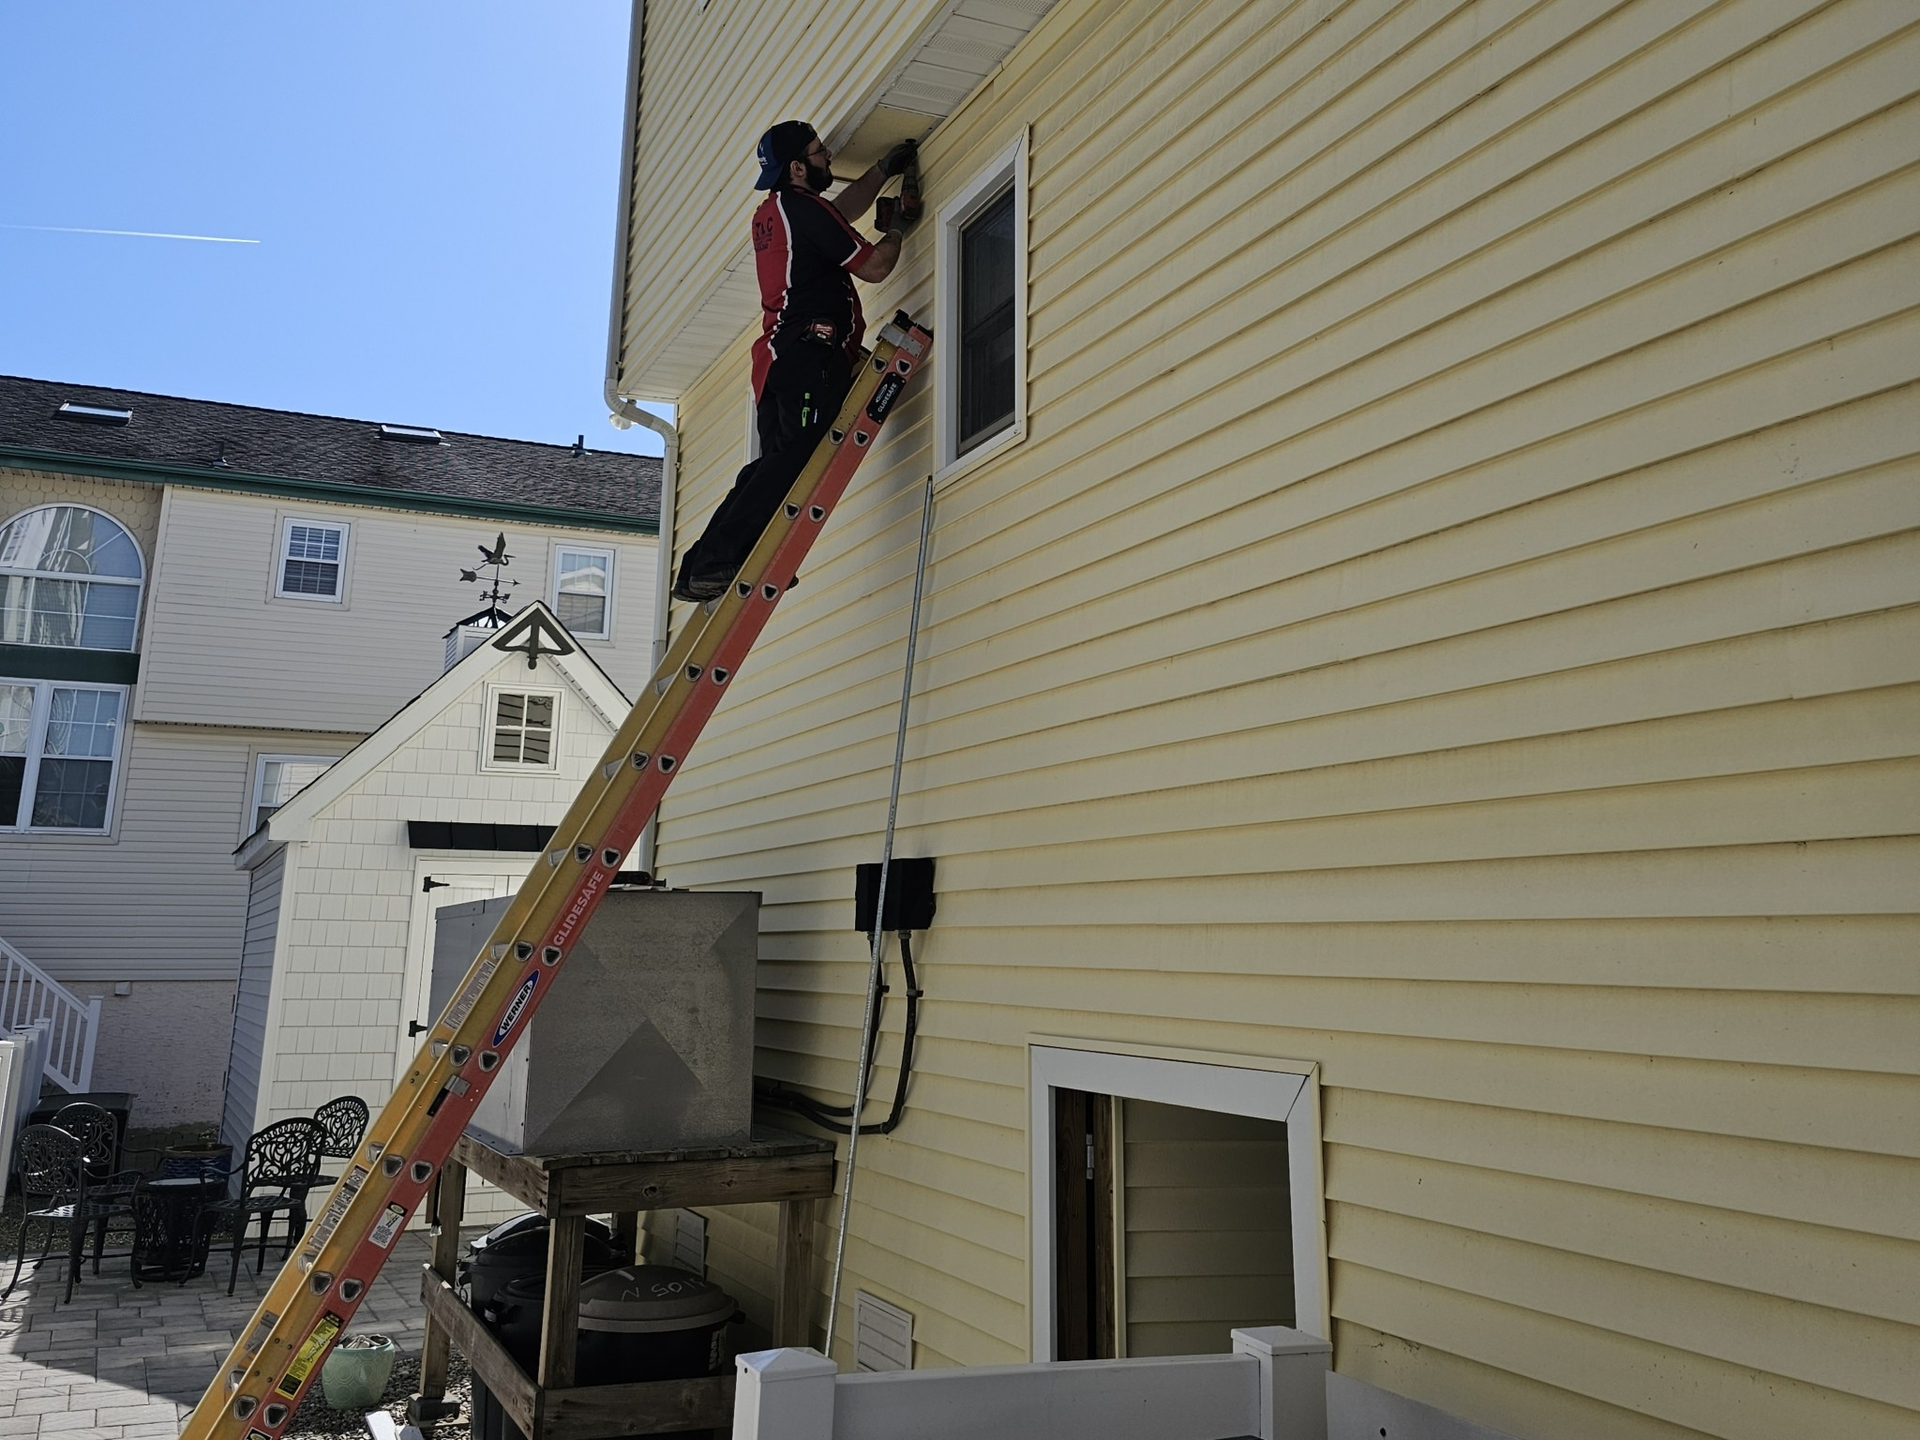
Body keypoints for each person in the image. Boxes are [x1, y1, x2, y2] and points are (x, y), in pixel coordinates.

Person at [671, 121, 920, 603]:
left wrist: (882, 171)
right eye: (819, 152)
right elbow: (874, 267)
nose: (829, 155)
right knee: (788, 463)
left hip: (783, 363)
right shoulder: (800, 210)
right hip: (806, 358)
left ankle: (715, 563)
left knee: (776, 465)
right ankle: (709, 563)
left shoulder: (780, 211)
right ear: (799, 167)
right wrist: (897, 228)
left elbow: (837, 215)